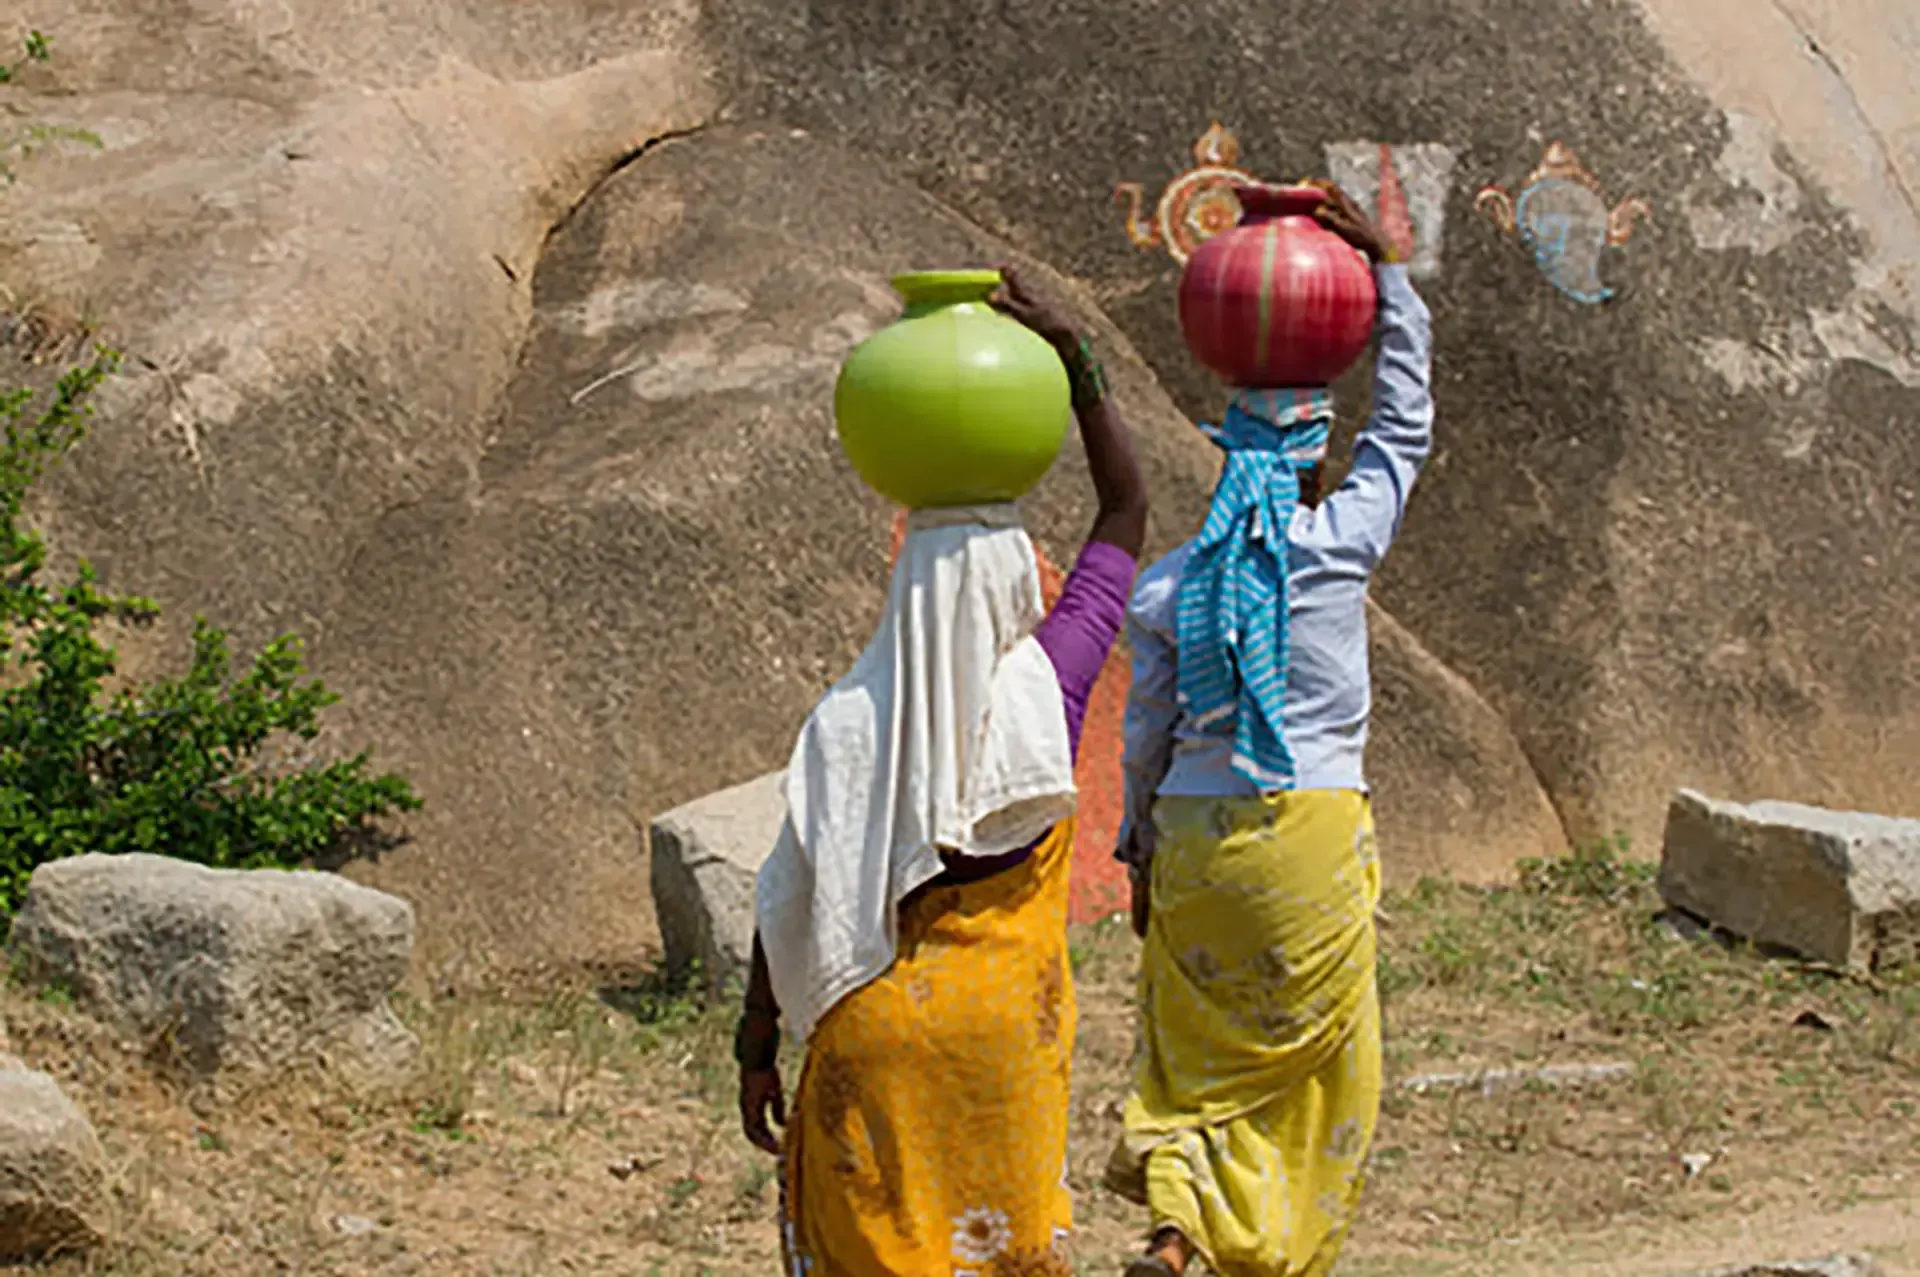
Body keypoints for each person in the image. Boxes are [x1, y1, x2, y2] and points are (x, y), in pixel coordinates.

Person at [735, 264, 1148, 1277]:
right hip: (1002, 1043)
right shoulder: (1051, 689)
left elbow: (788, 886)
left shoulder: (850, 716)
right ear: (1016, 581)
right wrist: (1075, 359)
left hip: (870, 1031)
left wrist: (756, 1041)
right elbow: (1127, 507)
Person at [1105, 182, 1434, 1277]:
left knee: (1192, 1062)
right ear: (1309, 461)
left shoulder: (1166, 591)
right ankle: (1269, 1251)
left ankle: (1175, 1232)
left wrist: (1138, 851)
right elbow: (1405, 422)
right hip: (1310, 829)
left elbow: (1144, 735)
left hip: (1196, 835)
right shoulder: (1338, 545)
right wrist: (1382, 265)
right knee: (1324, 1063)